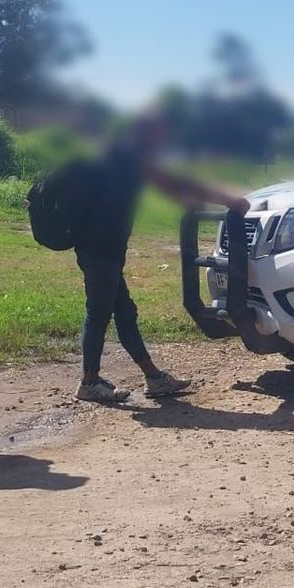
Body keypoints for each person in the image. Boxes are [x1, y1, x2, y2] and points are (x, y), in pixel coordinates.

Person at [73, 113, 250, 403]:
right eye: (161, 132)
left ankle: (154, 377)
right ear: (148, 132)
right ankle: (89, 383)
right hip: (101, 250)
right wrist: (228, 200)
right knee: (98, 314)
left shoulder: (118, 154)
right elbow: (174, 183)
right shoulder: (132, 156)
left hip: (100, 248)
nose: (164, 138)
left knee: (124, 312)